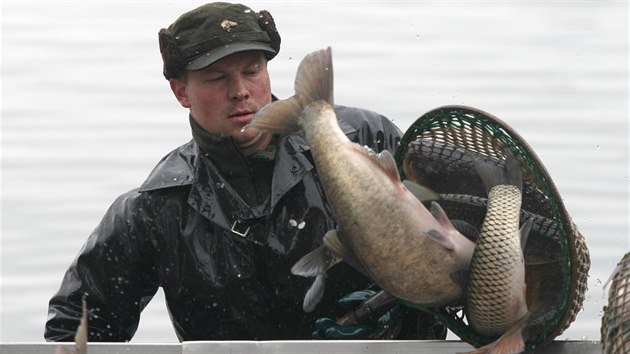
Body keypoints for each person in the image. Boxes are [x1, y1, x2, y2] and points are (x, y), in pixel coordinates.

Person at [45, 2, 446, 342]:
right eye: (216, 78)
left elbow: (462, 234)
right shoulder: (154, 209)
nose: (240, 90)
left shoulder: (365, 138)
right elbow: (76, 325)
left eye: (252, 71)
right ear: (180, 92)